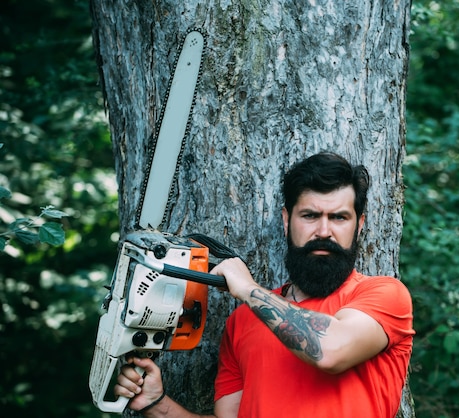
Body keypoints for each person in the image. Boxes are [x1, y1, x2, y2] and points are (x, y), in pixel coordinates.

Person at [114, 152, 415, 418]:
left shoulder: (384, 296)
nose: (324, 231)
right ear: (287, 221)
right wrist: (156, 404)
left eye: (338, 217)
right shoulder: (244, 321)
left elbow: (329, 350)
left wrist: (247, 288)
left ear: (359, 225)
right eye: (310, 215)